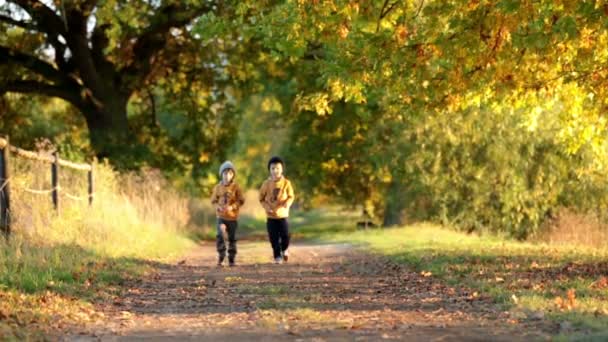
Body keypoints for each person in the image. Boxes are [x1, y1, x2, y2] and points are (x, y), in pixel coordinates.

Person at [259, 156, 295, 264]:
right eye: (273, 168)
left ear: (282, 169)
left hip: (283, 215)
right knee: (273, 238)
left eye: (278, 168)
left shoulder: (286, 183)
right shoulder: (266, 184)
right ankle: (277, 256)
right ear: (269, 170)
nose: (275, 171)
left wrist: (287, 204)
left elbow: (291, 196)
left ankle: (284, 249)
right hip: (271, 216)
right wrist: (267, 207)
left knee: (285, 235)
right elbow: (261, 199)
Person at [210, 161, 245, 267]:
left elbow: (241, 200)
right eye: (225, 173)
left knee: (232, 238)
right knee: (220, 233)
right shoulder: (217, 187)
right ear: (221, 174)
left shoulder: (236, 187)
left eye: (230, 173)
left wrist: (233, 206)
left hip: (232, 217)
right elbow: (213, 201)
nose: (227, 176)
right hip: (221, 217)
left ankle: (231, 258)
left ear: (233, 175)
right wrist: (218, 207)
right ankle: (221, 254)